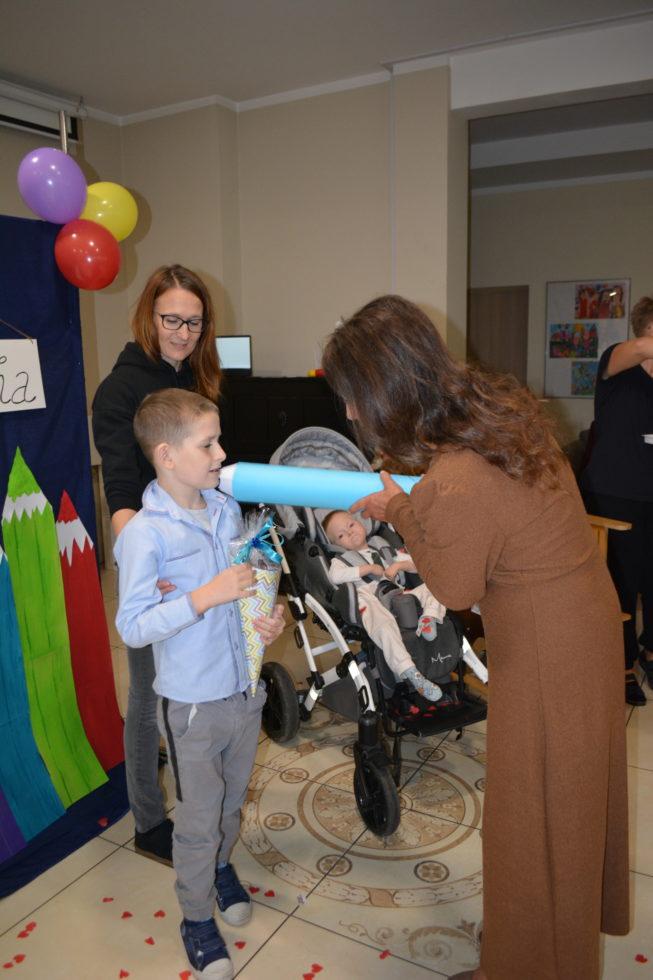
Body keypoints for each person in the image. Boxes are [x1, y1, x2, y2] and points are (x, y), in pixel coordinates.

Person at [321, 294, 629, 980]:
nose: (347, 412)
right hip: (579, 626)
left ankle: (526, 968)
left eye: (351, 398)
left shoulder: (456, 476)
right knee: (562, 809)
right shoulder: (494, 409)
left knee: (533, 823)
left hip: (550, 652)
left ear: (383, 389)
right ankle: (534, 952)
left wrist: (398, 506)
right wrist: (410, 501)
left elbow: (454, 585)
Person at [114, 388, 284, 980]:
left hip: (243, 692)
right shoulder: (145, 534)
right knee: (197, 815)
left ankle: (218, 868)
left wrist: (270, 616)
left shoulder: (223, 509)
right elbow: (132, 625)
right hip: (191, 707)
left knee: (231, 805)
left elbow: (252, 580)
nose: (221, 453)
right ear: (166, 454)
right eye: (208, 443)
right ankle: (195, 917)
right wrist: (202, 596)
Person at [92, 264, 223, 864]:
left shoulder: (194, 375)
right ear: (149, 315)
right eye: (172, 319)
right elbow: (120, 491)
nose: (182, 332)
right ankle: (147, 820)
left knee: (192, 676)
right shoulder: (121, 390)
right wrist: (145, 570)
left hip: (198, 546)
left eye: (194, 322)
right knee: (148, 695)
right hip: (154, 556)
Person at [581, 294, 653, 706]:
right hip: (613, 494)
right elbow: (642, 349)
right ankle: (621, 666)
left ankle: (651, 652)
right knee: (619, 587)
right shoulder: (617, 364)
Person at [323, 508, 447, 700]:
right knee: (382, 624)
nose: (349, 533)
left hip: (399, 595)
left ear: (362, 524)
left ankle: (429, 618)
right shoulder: (341, 561)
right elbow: (335, 576)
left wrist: (398, 566)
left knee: (435, 585)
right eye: (341, 535)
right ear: (335, 544)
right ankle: (411, 673)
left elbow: (417, 564)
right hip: (371, 599)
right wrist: (367, 569)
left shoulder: (383, 549)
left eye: (351, 525)